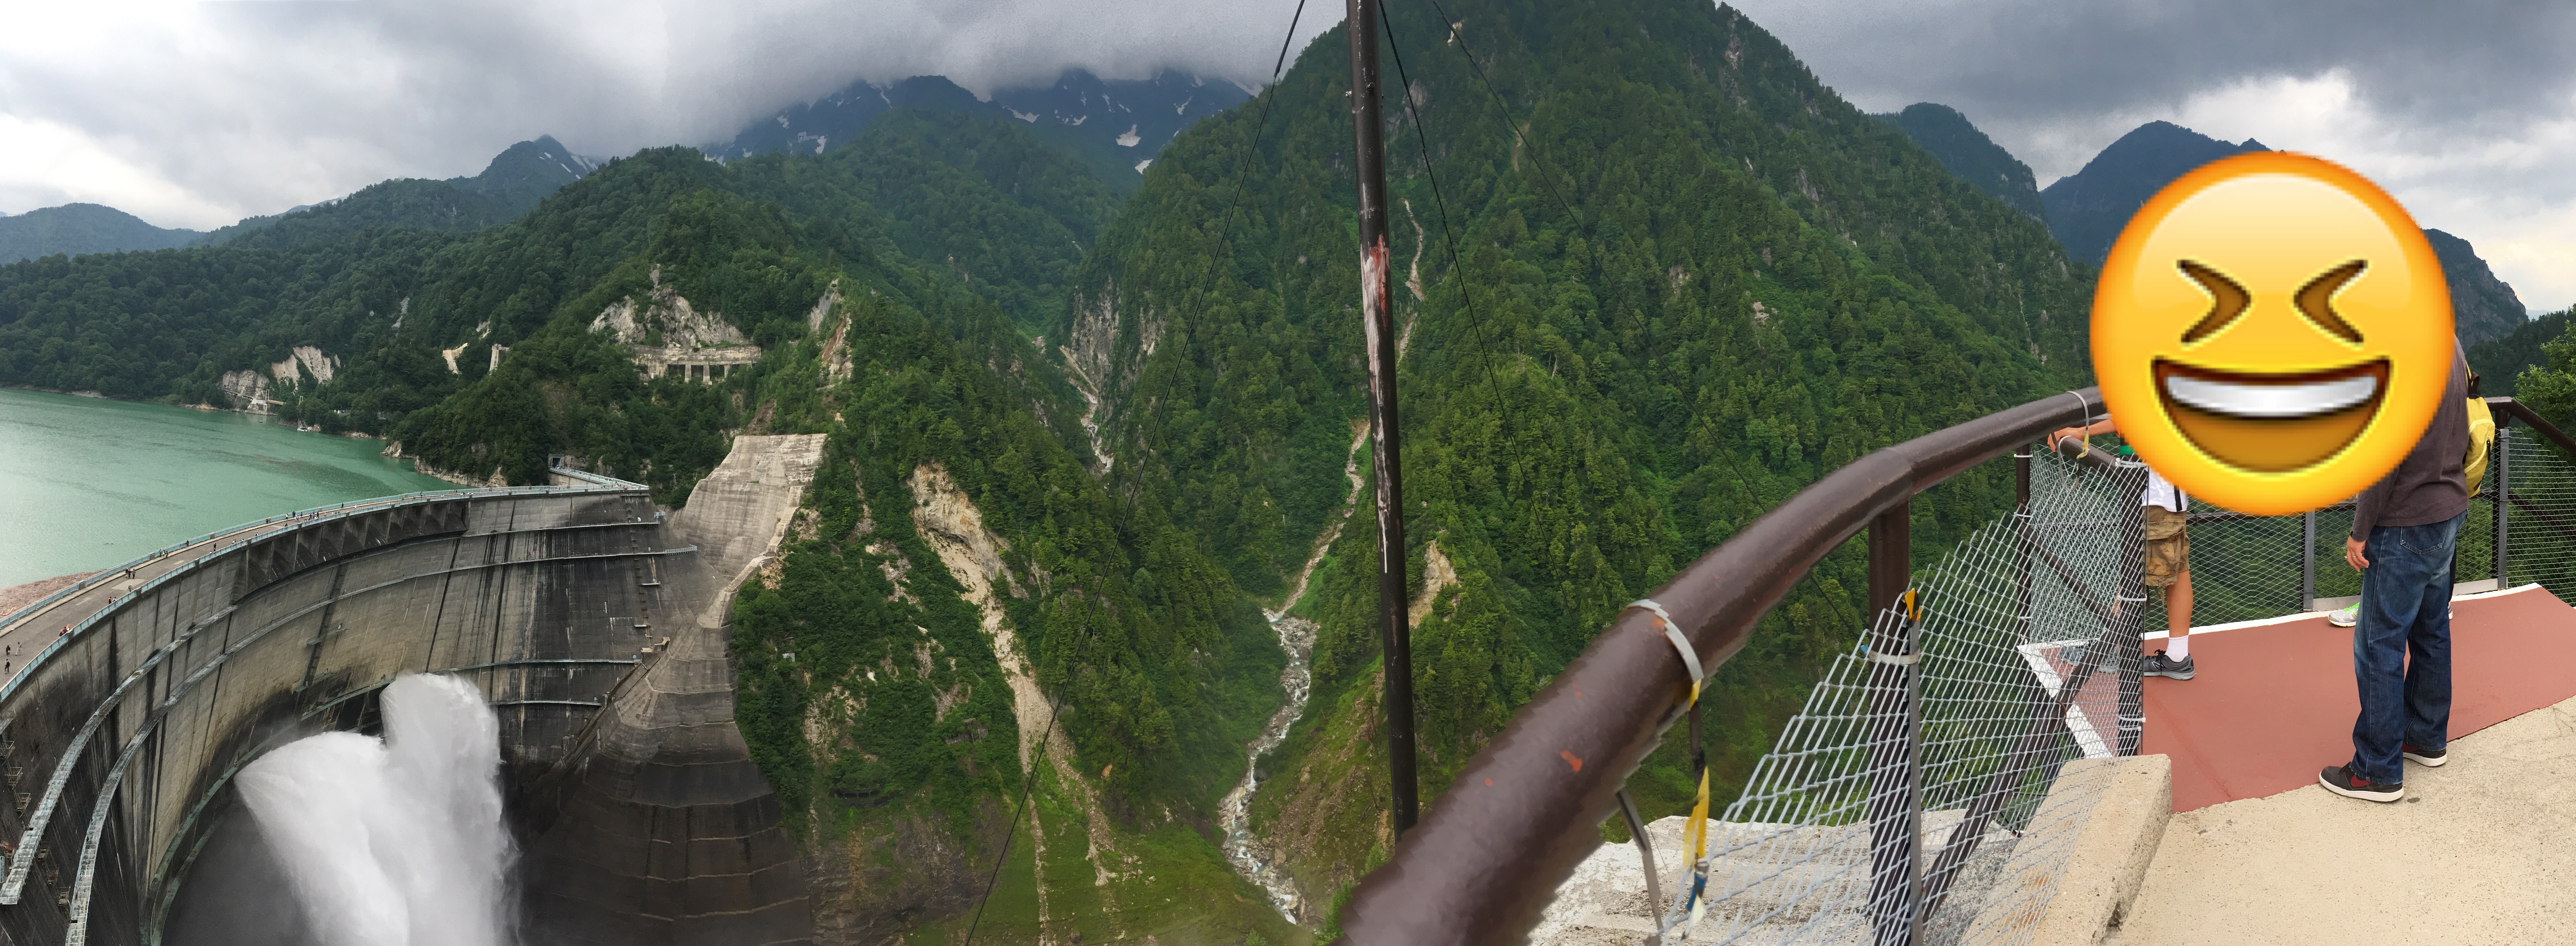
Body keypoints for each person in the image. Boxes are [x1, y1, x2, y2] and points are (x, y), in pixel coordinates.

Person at [2320, 342, 2473, 802]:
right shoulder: (2448, 341)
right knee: (2431, 633)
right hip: (2448, 510)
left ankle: (2376, 770)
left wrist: (2360, 530)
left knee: (2378, 646)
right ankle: (2425, 736)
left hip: (2404, 521)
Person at [2051, 416, 2197, 680]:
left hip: (2156, 494)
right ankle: (2177, 657)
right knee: (2177, 572)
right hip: (2168, 489)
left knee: (2131, 573)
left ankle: (2109, 650)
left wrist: (2078, 432)